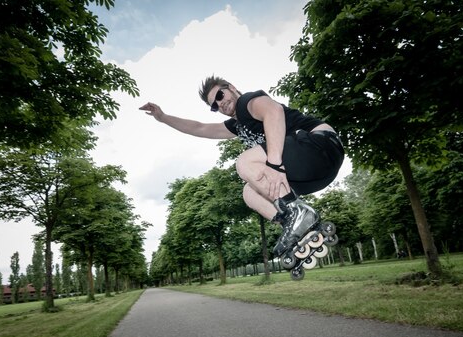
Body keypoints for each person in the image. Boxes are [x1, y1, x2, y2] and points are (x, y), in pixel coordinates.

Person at [139, 75, 344, 257]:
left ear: (231, 87)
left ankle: (298, 212)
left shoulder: (248, 102)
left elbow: (273, 112)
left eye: (220, 96)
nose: (220, 104)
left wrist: (274, 164)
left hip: (321, 146)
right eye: (214, 105)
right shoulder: (237, 126)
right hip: (316, 173)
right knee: (249, 192)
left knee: (245, 162)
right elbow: (199, 127)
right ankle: (297, 226)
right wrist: (163, 118)